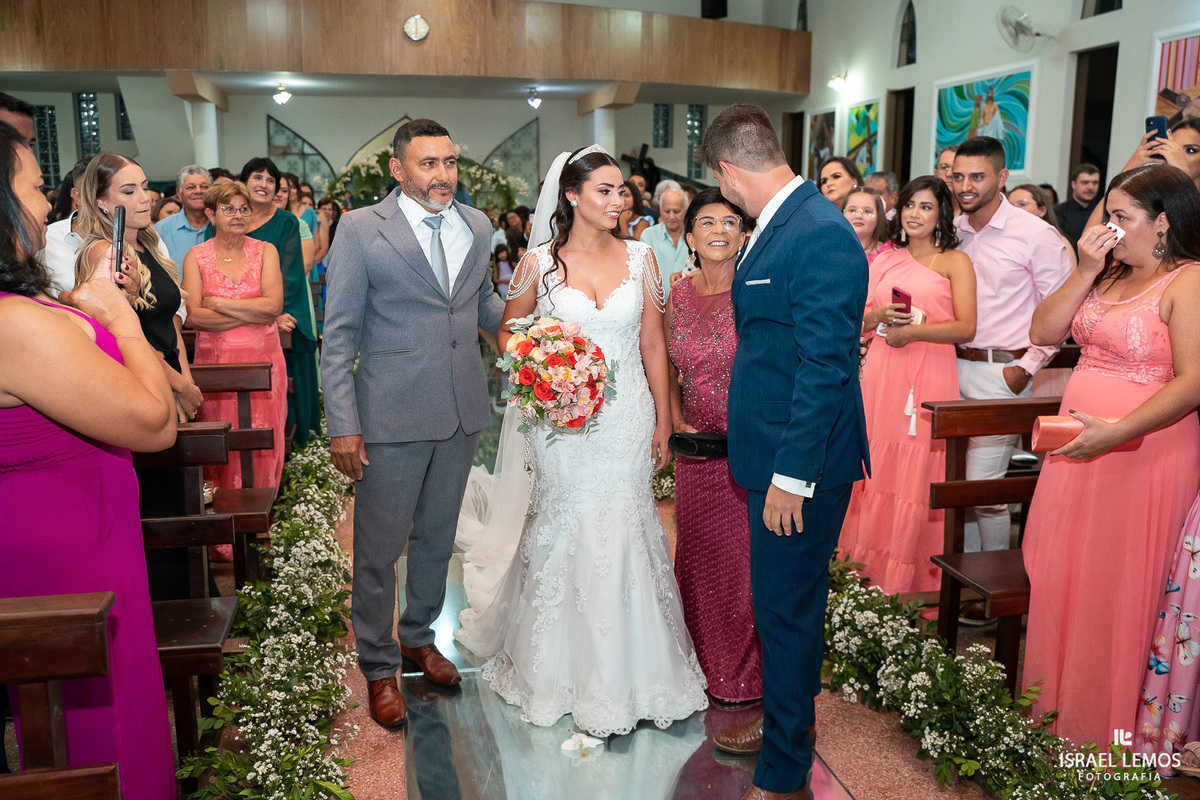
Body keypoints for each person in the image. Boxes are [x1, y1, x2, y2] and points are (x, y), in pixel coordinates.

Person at [454, 143, 707, 738]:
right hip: (561, 421)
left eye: (622, 191)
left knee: (625, 522)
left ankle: (635, 672)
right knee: (569, 522)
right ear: (571, 195)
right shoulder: (538, 264)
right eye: (605, 190)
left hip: (627, 417)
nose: (619, 200)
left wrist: (664, 420)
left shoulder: (643, 258)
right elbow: (509, 335)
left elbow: (653, 343)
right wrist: (548, 369)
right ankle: (557, 670)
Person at [0, 120, 178, 799]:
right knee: (100, 723)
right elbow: (154, 422)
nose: (47, 203)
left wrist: (89, 309)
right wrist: (120, 317)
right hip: (66, 550)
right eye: (34, 188)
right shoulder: (14, 324)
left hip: (93, 530)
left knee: (120, 705)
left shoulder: (22, 307)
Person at [698, 104, 870, 800]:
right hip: (773, 450)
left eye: (719, 182)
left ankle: (786, 770)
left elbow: (826, 366)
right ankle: (784, 722)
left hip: (800, 463)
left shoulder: (818, 231)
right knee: (779, 602)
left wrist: (792, 476)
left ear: (729, 171)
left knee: (786, 608)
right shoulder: (779, 224)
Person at [322, 119, 507, 729]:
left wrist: (540, 326)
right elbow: (338, 334)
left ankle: (418, 637)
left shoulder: (476, 225)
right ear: (398, 169)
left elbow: (483, 303)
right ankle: (378, 665)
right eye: (428, 164)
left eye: (449, 162)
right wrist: (343, 424)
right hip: (389, 415)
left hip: (460, 410)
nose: (442, 175)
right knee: (379, 549)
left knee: (437, 536)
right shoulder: (360, 229)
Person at [1023, 163, 1200, 747]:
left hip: (1146, 454)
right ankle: (1054, 720)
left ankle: (1106, 736)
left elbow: (1194, 381)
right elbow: (1043, 331)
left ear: (1163, 222)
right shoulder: (1105, 273)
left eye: (1121, 216)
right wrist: (1085, 268)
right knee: (1061, 573)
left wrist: (1118, 431)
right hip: (1078, 450)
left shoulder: (1189, 282)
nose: (1109, 227)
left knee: (1117, 588)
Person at [839, 176, 976, 595]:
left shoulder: (955, 262)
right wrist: (878, 316)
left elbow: (966, 328)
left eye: (926, 207)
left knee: (916, 474)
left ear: (942, 214)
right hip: (882, 372)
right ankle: (859, 581)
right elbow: (855, 319)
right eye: (911, 205)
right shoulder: (884, 260)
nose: (916, 214)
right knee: (874, 467)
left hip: (930, 372)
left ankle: (911, 587)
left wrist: (913, 332)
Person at [950, 136, 1071, 555]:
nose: (965, 186)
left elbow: (1062, 310)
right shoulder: (953, 231)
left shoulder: (1035, 234)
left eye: (977, 177)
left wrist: (1026, 368)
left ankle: (988, 580)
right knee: (956, 487)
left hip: (1003, 372)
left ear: (1001, 177)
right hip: (949, 367)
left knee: (983, 489)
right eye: (958, 176)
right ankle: (962, 575)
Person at [665, 186, 761, 703]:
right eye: (707, 222)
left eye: (730, 222)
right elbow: (664, 367)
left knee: (741, 567)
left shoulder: (756, 292)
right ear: (690, 236)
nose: (719, 230)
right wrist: (676, 423)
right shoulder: (678, 295)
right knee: (697, 558)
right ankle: (696, 664)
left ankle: (741, 674)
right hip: (695, 454)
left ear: (744, 234)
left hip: (745, 453)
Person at [75, 153, 202, 425]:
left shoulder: (149, 245)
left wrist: (186, 382)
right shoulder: (104, 254)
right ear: (101, 202)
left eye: (145, 187)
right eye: (129, 191)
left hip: (170, 375)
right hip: (141, 381)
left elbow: (167, 324)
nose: (145, 198)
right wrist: (180, 386)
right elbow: (121, 338)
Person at [182, 179, 287, 490]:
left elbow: (273, 307)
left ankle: (263, 513)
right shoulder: (196, 256)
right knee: (220, 439)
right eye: (228, 209)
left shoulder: (266, 251)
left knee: (265, 438)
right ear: (211, 215)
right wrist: (252, 311)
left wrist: (219, 303)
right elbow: (194, 316)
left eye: (244, 209)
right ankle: (221, 516)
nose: (238, 215)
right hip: (215, 366)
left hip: (264, 363)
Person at [212, 157, 321, 446]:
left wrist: (273, 313)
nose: (264, 184)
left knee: (288, 367)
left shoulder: (286, 221)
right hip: (240, 313)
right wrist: (247, 309)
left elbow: (290, 275)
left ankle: (296, 443)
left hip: (285, 308)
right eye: (257, 178)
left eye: (270, 180)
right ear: (243, 182)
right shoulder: (228, 219)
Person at [1008, 184, 1078, 268]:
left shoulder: (1058, 241)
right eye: (1010, 205)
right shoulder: (1006, 238)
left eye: (1022, 204)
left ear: (1042, 210)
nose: (1014, 209)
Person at [155, 165, 211, 266]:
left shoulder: (223, 226)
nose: (198, 191)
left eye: (204, 187)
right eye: (191, 187)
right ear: (179, 193)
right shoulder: (161, 230)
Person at [640, 186, 690, 290]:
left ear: (686, 210)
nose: (671, 216)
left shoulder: (695, 236)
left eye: (676, 211)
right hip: (656, 299)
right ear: (660, 210)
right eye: (666, 211)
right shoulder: (649, 236)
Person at [1053, 164, 1100, 248]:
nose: (1090, 187)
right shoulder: (1058, 211)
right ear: (1073, 184)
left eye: (1095, 183)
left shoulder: (1101, 211)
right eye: (1085, 182)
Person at [842, 187, 890, 263]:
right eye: (852, 210)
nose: (858, 215)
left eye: (867, 211)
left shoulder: (890, 253)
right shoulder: (829, 249)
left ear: (879, 216)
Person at [935, 145, 961, 215]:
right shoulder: (927, 209)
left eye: (955, 168)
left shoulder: (975, 213)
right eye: (944, 167)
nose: (949, 174)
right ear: (936, 173)